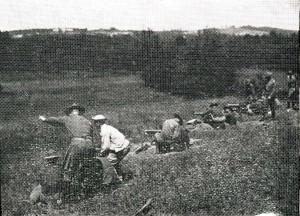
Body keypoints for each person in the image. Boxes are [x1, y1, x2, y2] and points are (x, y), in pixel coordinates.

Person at [39, 103, 95, 182]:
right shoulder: (87, 121)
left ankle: (67, 183)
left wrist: (44, 119)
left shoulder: (68, 118)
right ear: (79, 112)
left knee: (68, 164)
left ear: (70, 112)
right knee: (86, 163)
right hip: (90, 144)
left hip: (77, 143)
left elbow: (55, 120)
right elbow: (91, 133)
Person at [92, 115, 130, 181]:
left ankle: (111, 181)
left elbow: (106, 146)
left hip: (121, 147)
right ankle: (120, 178)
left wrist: (101, 154)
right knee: (115, 163)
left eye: (95, 122)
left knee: (108, 163)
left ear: (99, 122)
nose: (94, 124)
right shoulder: (108, 127)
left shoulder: (105, 131)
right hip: (123, 146)